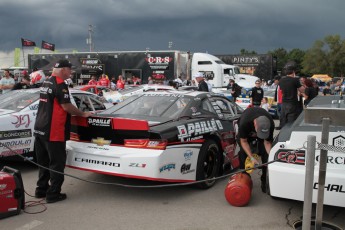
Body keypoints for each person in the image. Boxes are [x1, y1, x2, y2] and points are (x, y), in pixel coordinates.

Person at [34, 59, 92, 203]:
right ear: (63, 69)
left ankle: (41, 190)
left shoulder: (45, 82)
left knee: (43, 163)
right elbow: (66, 106)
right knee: (57, 164)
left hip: (40, 129)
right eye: (70, 70)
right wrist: (83, 114)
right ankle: (53, 194)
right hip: (54, 130)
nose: (71, 73)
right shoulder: (60, 84)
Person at [236, 107, 275, 193]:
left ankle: (265, 181)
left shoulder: (270, 124)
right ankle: (245, 179)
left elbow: (267, 143)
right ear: (255, 124)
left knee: (266, 155)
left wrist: (271, 158)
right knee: (243, 153)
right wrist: (252, 158)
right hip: (246, 136)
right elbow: (244, 141)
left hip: (261, 128)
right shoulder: (244, 123)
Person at [278, 61, 304, 128]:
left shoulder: (281, 80)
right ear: (293, 72)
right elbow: (302, 90)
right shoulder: (295, 80)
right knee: (291, 121)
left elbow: (281, 89)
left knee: (283, 119)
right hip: (292, 103)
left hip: (284, 103)